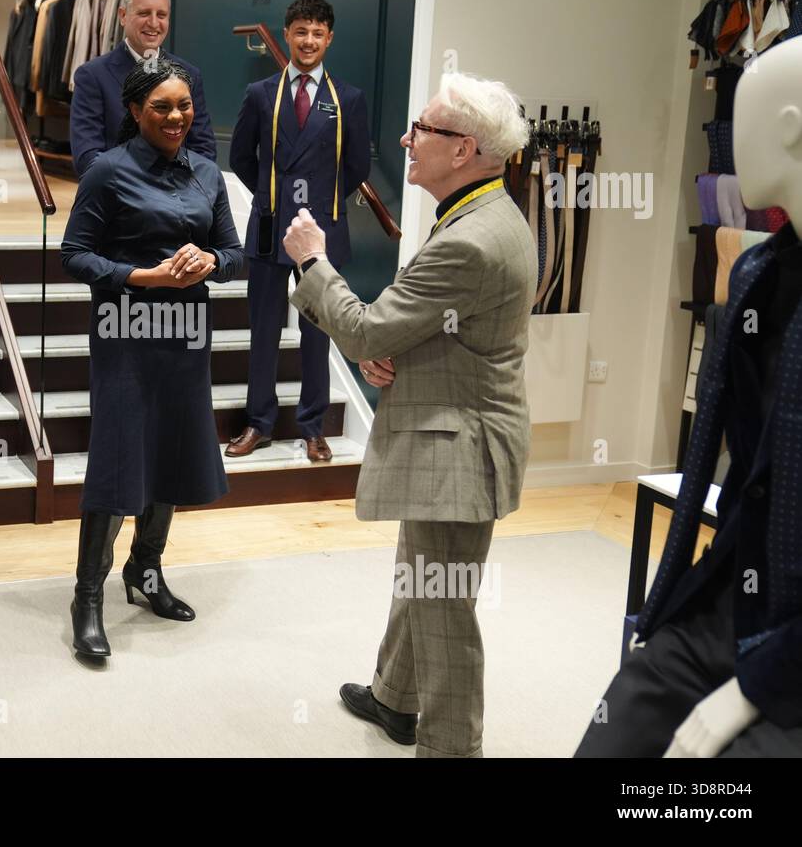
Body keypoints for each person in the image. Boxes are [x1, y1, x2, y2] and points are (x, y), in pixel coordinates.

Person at [281, 72, 536, 757]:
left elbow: (365, 329)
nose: (406, 138)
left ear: (465, 150)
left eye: (423, 128)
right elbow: (434, 329)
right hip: (461, 429)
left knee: (443, 608)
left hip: (460, 446)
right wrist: (391, 352)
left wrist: (313, 264)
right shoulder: (489, 212)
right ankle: (396, 698)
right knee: (421, 575)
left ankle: (451, 747)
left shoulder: (469, 239)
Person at [576, 38, 802, 758]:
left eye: (743, 116)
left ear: (791, 126)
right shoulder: (758, 275)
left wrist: (757, 687)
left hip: (789, 642)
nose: (729, 144)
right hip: (730, 598)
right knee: (621, 730)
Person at [60, 57, 243, 659]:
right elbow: (75, 255)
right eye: (161, 107)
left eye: (185, 106)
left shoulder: (208, 174)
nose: (175, 117)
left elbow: (234, 253)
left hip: (186, 336)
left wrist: (211, 263)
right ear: (135, 112)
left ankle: (146, 571)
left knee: (168, 451)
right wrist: (144, 276)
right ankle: (88, 596)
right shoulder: (106, 172)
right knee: (118, 461)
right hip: (125, 332)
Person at [226, 0, 372, 463]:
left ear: (329, 39)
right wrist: (275, 199)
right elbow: (240, 159)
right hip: (269, 228)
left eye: (318, 33)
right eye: (300, 31)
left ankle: (313, 428)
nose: (308, 41)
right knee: (263, 331)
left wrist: (314, 208)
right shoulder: (261, 94)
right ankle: (259, 423)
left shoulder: (348, 99)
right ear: (286, 35)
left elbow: (356, 166)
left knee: (317, 335)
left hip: (322, 232)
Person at [69, 0, 215, 176]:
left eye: (161, 15)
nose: (154, 23)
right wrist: (142, 190)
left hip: (178, 197)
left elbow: (204, 149)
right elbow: (87, 156)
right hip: (117, 199)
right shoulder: (92, 76)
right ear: (122, 16)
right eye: (144, 13)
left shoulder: (190, 75)